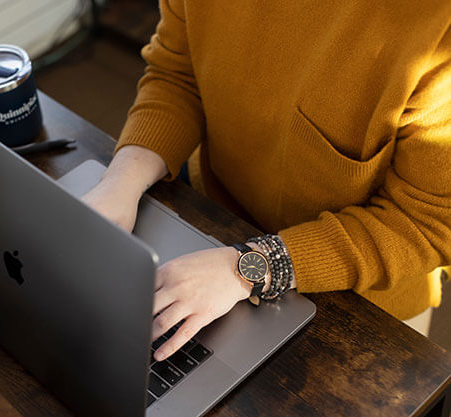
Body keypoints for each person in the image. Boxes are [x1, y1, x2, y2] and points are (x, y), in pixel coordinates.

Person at [83, 0, 451, 362]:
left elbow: (425, 221)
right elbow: (178, 74)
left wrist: (243, 268)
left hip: (361, 301)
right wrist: (120, 183)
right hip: (213, 224)